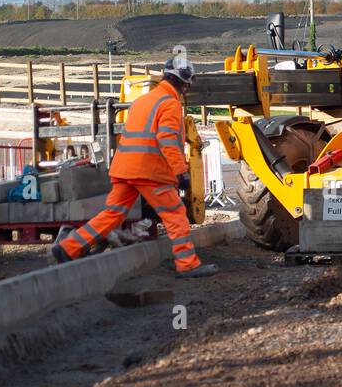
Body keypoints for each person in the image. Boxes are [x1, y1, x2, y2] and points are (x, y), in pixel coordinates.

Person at [51, 57, 218, 279]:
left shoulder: (144, 100)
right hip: (150, 172)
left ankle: (68, 247)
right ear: (184, 83)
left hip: (125, 169)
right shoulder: (170, 103)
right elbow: (167, 139)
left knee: (113, 214)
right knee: (175, 214)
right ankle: (187, 264)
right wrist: (180, 171)